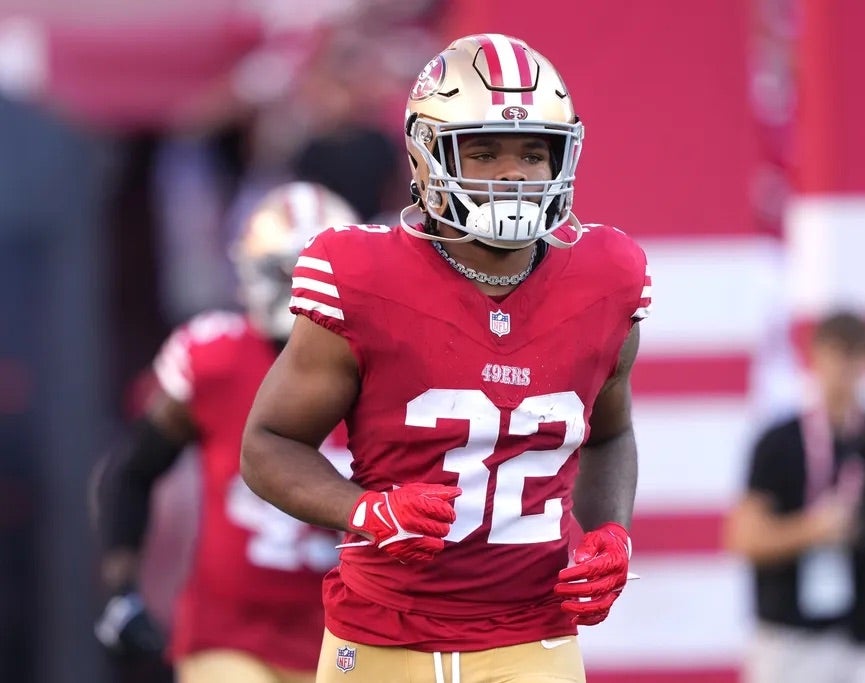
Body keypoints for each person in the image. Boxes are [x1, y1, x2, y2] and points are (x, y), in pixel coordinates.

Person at [240, 34, 652, 683]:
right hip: (381, 634)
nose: (513, 174)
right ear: (426, 155)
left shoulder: (607, 278)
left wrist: (611, 531)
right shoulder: (361, 275)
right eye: (484, 152)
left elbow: (610, 432)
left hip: (532, 634)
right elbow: (269, 443)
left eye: (532, 152)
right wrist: (366, 510)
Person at [92, 182, 359, 683]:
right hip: (228, 635)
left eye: (311, 276)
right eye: (283, 273)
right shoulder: (214, 359)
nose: (297, 292)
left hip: (347, 637)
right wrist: (120, 591)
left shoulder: (382, 365)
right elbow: (132, 471)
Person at [724, 310, 865, 683]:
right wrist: (813, 531)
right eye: (838, 355)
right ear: (816, 357)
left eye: (856, 356)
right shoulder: (779, 442)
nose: (846, 369)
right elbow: (743, 538)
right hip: (793, 629)